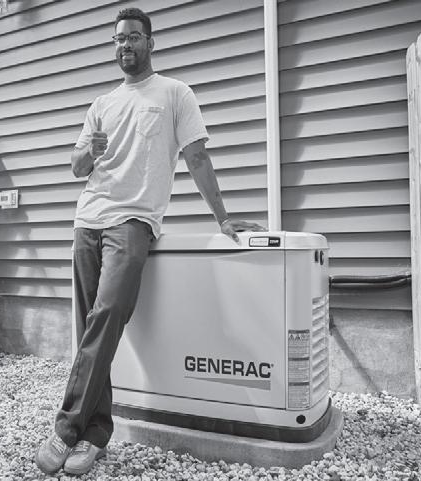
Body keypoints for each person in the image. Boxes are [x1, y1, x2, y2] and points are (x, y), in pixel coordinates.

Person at [36, 7, 265, 476]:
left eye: (134, 37)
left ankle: (66, 428)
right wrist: (88, 151)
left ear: (150, 42)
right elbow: (77, 167)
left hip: (133, 221)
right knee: (90, 329)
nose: (126, 44)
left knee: (107, 315)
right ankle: (95, 434)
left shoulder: (175, 94)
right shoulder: (102, 103)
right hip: (88, 220)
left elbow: (197, 156)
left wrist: (223, 218)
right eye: (119, 38)